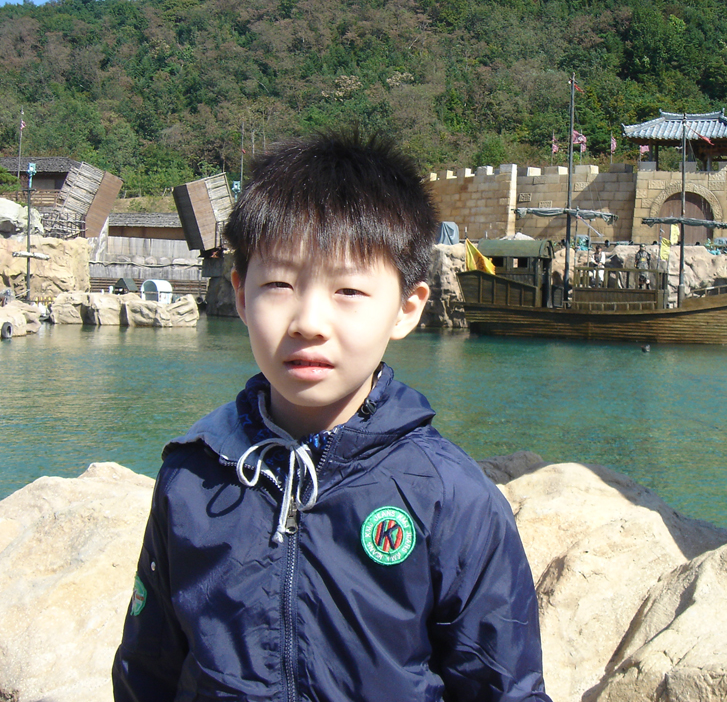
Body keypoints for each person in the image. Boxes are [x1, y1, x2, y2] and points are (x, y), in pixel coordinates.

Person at [112, 130, 551, 702]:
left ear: (407, 308)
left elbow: (504, 686)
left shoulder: (448, 496)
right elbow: (148, 670)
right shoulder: (193, 477)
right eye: (279, 284)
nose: (309, 322)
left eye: (348, 290)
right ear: (241, 296)